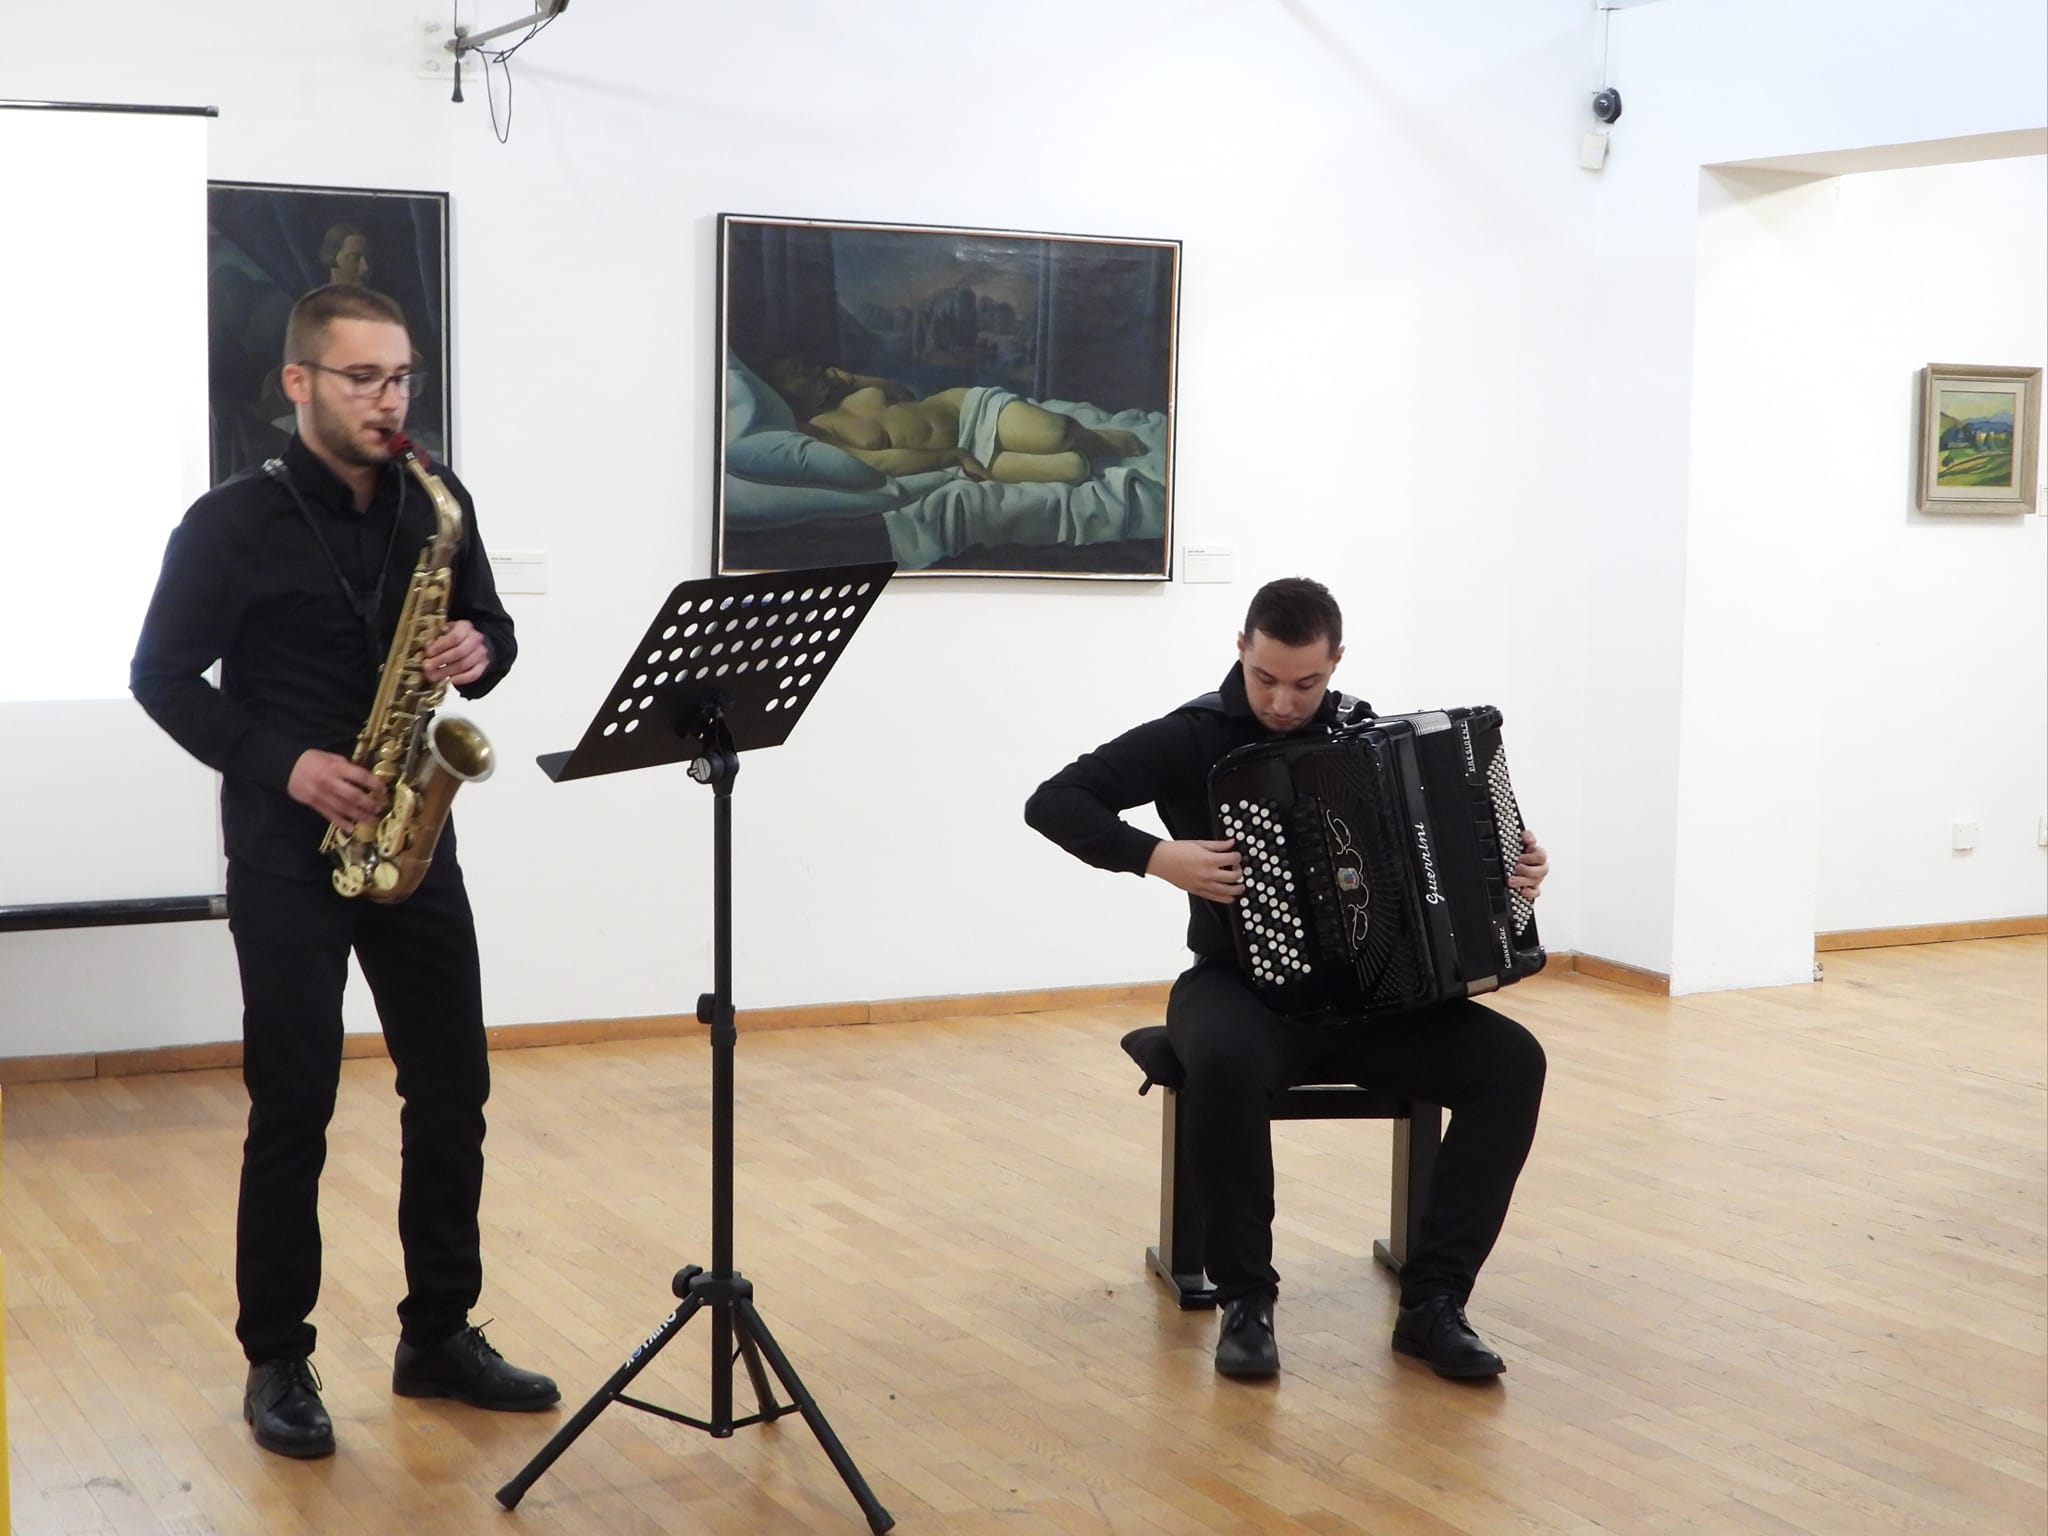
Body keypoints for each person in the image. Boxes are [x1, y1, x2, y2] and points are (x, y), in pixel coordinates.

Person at [131, 284, 558, 1459]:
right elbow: (160, 677)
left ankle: (439, 1333)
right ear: (298, 383)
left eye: (401, 376)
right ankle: (278, 1355)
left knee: (453, 1087)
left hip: (412, 835)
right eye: (363, 378)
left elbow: (494, 634)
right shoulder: (229, 524)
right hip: (287, 848)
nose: (389, 400)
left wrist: (480, 647)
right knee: (295, 1102)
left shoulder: (435, 501)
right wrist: (288, 764)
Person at [1024, 577, 1549, 1382]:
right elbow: (1056, 802)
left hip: (1373, 1005)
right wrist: (1158, 857)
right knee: (1225, 1061)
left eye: (1305, 683)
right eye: (1265, 677)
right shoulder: (1192, 736)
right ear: (1241, 649)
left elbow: (1439, 858)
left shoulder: (1364, 735)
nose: (1281, 701)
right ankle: (1246, 1300)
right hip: (1236, 988)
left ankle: (1435, 1302)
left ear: (1335, 662)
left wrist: (1512, 869)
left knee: (1513, 1063)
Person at [763, 357, 1146, 485]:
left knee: (1059, 433)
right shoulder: (818, 432)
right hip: (962, 456)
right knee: (1074, 468)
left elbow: (905, 393)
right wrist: (954, 456)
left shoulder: (846, 391)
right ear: (781, 392)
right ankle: (1084, 446)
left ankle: (1096, 437)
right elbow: (876, 462)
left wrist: (854, 379)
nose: (811, 371)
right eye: (798, 373)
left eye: (807, 366)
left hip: (964, 410)